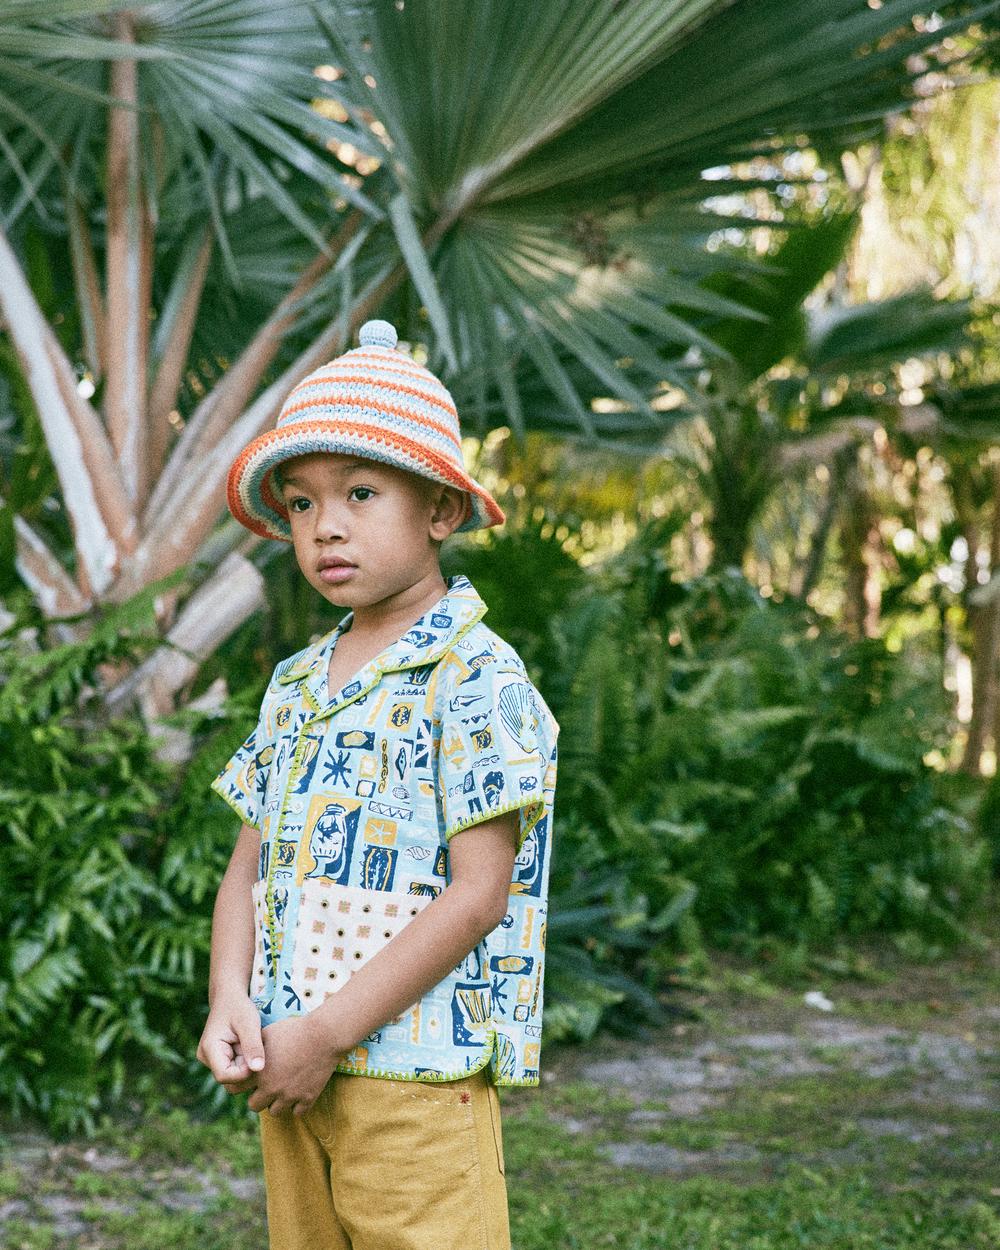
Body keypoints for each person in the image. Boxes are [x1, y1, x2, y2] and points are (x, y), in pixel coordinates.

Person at [197, 318, 559, 1250]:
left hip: (415, 1079)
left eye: (361, 493)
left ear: (440, 510)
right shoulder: (294, 685)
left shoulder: (474, 676)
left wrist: (329, 1035)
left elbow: (479, 896)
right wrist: (228, 999)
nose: (328, 527)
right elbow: (249, 869)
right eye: (303, 504)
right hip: (288, 1069)